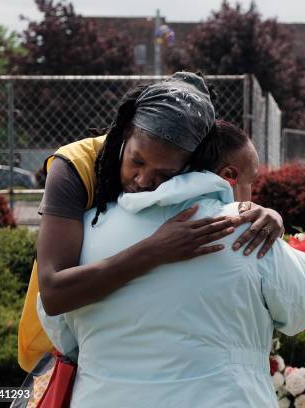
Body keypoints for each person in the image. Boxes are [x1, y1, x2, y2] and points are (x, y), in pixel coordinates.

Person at [37, 119, 305, 406]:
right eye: (250, 180)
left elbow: (59, 331)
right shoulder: (247, 231)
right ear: (227, 174)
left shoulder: (86, 230)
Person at [18, 72, 285, 372]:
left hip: (134, 354)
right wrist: (154, 251)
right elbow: (54, 293)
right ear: (126, 130)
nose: (143, 181)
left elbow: (226, 199)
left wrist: (260, 212)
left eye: (165, 174)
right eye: (137, 161)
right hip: (57, 352)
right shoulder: (73, 166)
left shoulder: (190, 173)